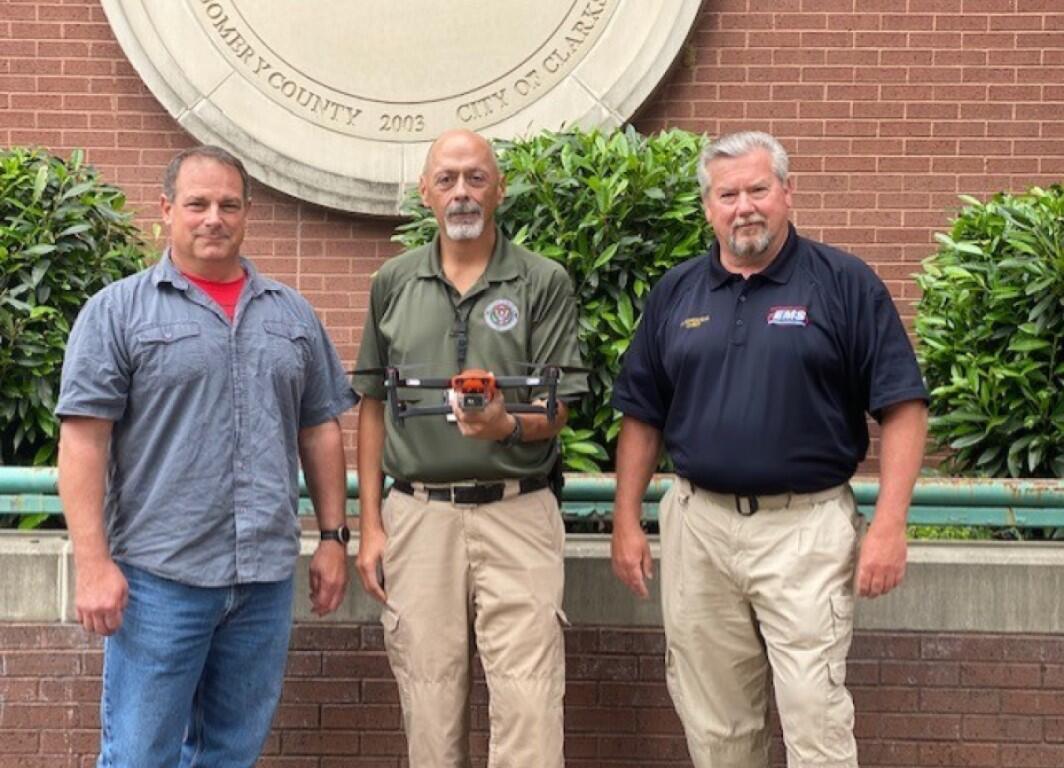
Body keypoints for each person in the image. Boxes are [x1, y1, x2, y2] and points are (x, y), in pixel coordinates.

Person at [610, 131, 929, 768]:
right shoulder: (677, 292)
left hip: (805, 528)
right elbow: (642, 415)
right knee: (717, 725)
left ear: (787, 192)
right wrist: (626, 521)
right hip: (699, 526)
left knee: (814, 713)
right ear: (708, 207)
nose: (744, 207)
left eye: (758, 189)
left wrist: (890, 524)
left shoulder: (844, 283)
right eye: (727, 195)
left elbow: (903, 408)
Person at [55, 145, 358, 767]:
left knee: (231, 753)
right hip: (158, 579)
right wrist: (92, 563)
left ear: (247, 214)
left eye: (228, 205)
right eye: (197, 204)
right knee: (139, 755)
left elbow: (320, 430)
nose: (213, 218)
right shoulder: (117, 312)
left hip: (263, 581)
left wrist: (332, 537)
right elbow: (83, 441)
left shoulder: (292, 315)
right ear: (166, 210)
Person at [353, 129, 586, 767]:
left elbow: (560, 405)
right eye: (447, 179)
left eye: (476, 178)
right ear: (425, 192)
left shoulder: (542, 280)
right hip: (419, 515)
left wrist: (507, 426)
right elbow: (372, 403)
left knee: (530, 703)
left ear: (499, 189)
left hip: (518, 512)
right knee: (429, 705)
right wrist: (370, 525)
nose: (462, 192)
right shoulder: (393, 281)